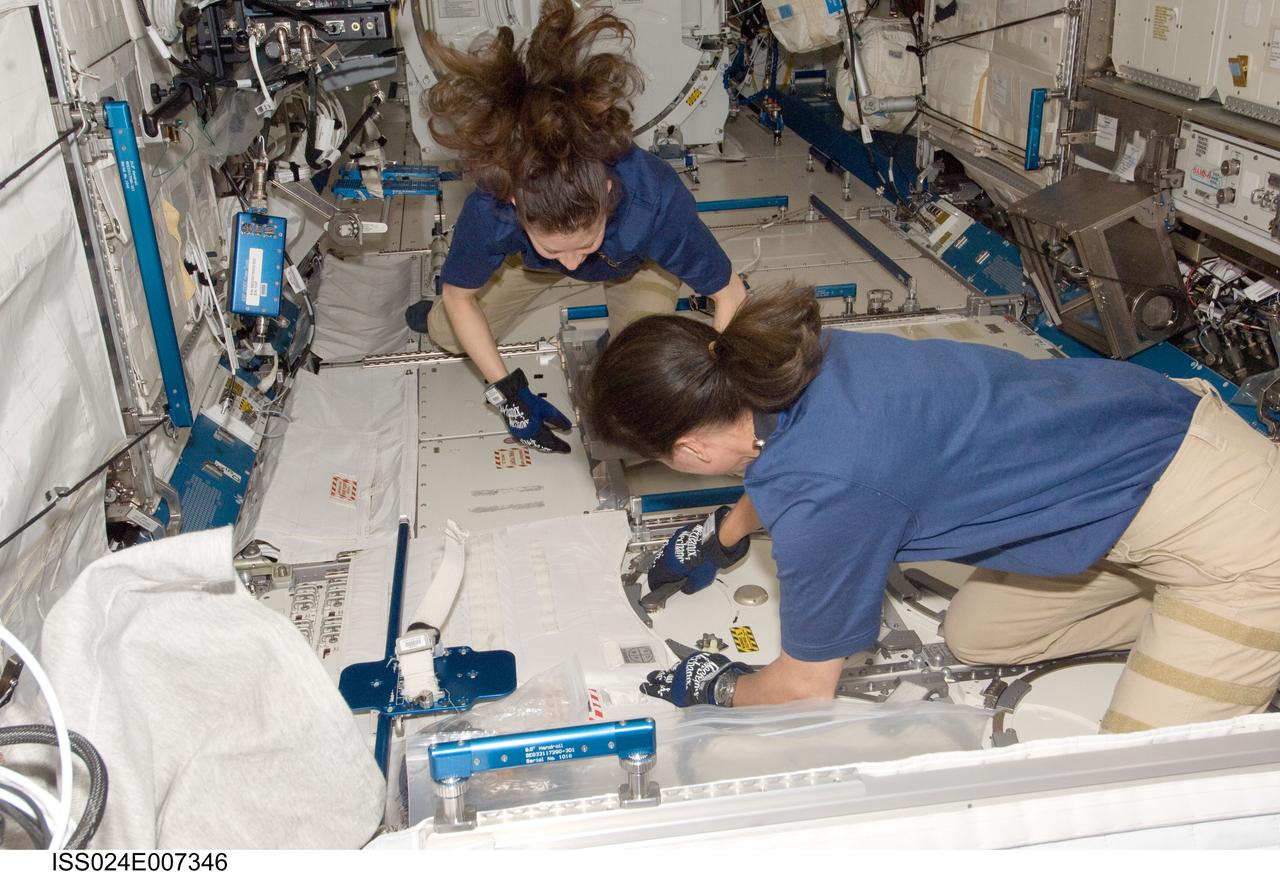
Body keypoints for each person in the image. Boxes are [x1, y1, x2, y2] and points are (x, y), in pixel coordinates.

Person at [585, 283, 1280, 732]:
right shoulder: (785, 361)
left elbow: (802, 691)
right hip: (1131, 459)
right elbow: (794, 452)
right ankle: (1177, 615)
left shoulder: (825, 499)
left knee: (1122, 783)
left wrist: (720, 685)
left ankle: (1227, 631)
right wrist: (725, 532)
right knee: (979, 637)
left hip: (1237, 534)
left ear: (692, 450)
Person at [411, 0, 747, 453]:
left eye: (583, 242)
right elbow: (459, 296)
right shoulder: (493, 208)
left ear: (609, 192)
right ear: (515, 203)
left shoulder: (656, 203)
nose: (573, 261)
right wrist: (508, 394)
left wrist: (720, 389)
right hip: (528, 262)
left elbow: (730, 293)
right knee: (449, 334)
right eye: (557, 249)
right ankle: (522, 268)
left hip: (636, 262)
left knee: (640, 379)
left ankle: (622, 335)